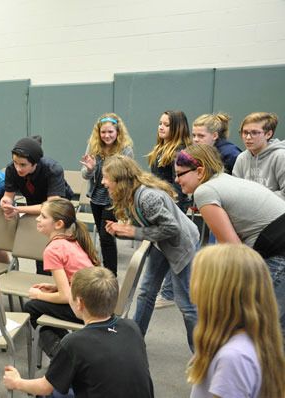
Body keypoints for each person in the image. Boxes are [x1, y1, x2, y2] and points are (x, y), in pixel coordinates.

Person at [174, 143, 285, 332]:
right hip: (275, 245)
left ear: (199, 171)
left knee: (265, 328)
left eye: (180, 174)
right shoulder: (223, 179)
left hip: (277, 251)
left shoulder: (205, 191)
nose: (176, 180)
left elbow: (234, 251)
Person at [3, 267, 154, 398]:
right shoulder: (132, 327)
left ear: (80, 303)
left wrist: (17, 382)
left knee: (50, 392)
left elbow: (44, 386)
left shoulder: (74, 343)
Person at [102, 155, 198, 351]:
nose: (103, 182)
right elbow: (148, 227)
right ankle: (134, 341)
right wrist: (123, 230)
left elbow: (172, 229)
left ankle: (202, 354)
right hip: (161, 244)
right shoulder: (131, 195)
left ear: (120, 180)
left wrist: (133, 231)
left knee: (186, 305)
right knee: (146, 293)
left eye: (106, 178)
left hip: (181, 245)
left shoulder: (147, 197)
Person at [188, 244, 285, 398]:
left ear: (217, 292)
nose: (191, 287)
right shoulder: (243, 344)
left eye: (197, 278)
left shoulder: (233, 358)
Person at [24, 198, 100, 359]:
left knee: (32, 307)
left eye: (43, 217)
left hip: (87, 310)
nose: (38, 219)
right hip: (97, 302)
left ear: (58, 224)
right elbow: (75, 277)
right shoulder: (71, 240)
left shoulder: (53, 249)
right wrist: (56, 287)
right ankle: (68, 348)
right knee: (40, 309)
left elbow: (66, 297)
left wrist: (39, 295)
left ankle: (62, 358)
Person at [0, 137, 73, 274]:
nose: (18, 168)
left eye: (23, 165)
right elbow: (8, 195)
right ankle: (42, 289)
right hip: (35, 206)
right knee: (40, 250)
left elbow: (51, 207)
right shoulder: (11, 169)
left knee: (57, 250)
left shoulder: (53, 169)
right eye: (15, 162)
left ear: (35, 163)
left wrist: (17, 209)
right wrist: (5, 203)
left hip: (59, 210)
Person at [146, 110, 192, 309]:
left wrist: (172, 207)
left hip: (171, 206)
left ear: (177, 128)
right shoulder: (161, 148)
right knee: (164, 249)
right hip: (161, 203)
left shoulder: (179, 152)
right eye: (160, 123)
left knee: (172, 250)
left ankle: (169, 293)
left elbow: (179, 185)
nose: (161, 127)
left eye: (166, 124)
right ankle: (168, 291)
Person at [80, 113, 134, 276]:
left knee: (106, 236)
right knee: (104, 235)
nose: (107, 135)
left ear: (117, 132)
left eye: (110, 132)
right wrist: (90, 169)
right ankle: (106, 271)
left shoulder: (126, 149)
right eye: (103, 132)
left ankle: (111, 274)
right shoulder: (94, 147)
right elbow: (85, 174)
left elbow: (128, 176)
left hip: (114, 198)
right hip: (96, 197)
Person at [232, 112, 285, 200]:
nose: (248, 137)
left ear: (268, 134)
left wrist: (257, 200)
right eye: (245, 132)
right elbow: (236, 190)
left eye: (254, 133)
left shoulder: (280, 156)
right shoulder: (242, 158)